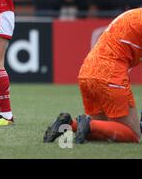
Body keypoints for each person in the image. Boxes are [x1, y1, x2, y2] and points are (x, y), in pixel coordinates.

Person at [44, 8, 142, 144]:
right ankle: (88, 124)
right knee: (133, 135)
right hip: (110, 74)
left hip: (87, 72)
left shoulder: (133, 14)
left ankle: (69, 124)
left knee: (103, 133)